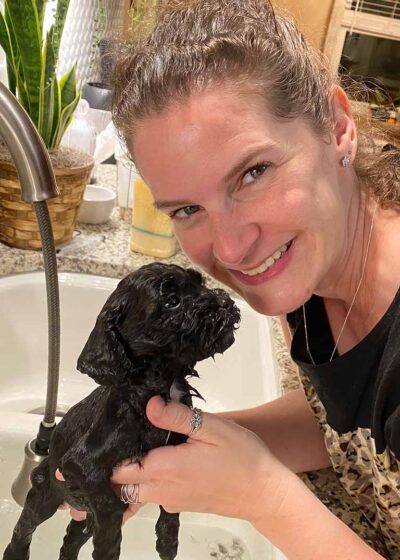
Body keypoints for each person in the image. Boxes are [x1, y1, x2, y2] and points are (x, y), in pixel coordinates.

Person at [59, 1, 400, 558]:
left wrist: (264, 495)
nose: (232, 248)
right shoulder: (314, 275)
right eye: (187, 208)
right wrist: (170, 446)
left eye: (254, 172)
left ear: (337, 128)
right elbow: (347, 431)